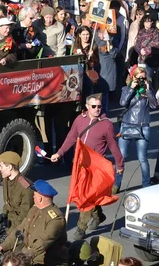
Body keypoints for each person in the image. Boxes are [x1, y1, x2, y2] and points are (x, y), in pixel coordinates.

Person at [50, 94, 123, 239]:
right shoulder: (79, 120)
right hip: (82, 165)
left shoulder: (106, 124)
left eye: (99, 106)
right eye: (94, 106)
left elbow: (113, 146)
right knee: (86, 196)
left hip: (97, 168)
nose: (97, 109)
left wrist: (119, 164)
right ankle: (98, 216)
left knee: (87, 196)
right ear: (87, 107)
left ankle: (80, 228)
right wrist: (59, 153)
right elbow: (71, 138)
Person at [0, 180, 68, 266]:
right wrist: (2, 247)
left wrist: (24, 256)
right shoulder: (34, 209)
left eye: (34, 195)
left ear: (40, 198)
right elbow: (20, 229)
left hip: (45, 260)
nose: (33, 197)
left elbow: (44, 242)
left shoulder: (56, 218)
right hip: (26, 254)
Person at [115, 66, 157, 190]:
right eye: (138, 78)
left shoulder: (148, 90)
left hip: (143, 126)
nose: (140, 80)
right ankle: (117, 184)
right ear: (132, 77)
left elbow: (155, 105)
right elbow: (123, 103)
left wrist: (148, 91)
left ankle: (146, 184)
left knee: (142, 158)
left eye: (143, 78)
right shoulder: (125, 89)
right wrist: (131, 89)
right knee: (121, 157)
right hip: (127, 125)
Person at [0, 152, 33, 236]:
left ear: (9, 167)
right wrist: (2, 215)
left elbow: (25, 215)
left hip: (21, 225)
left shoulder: (26, 187)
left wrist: (8, 233)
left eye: (1, 166)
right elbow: (7, 203)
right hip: (9, 220)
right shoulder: (6, 180)